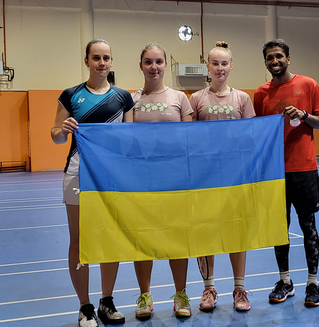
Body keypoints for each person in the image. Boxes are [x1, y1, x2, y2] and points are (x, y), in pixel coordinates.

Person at [51, 39, 134, 327]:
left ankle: (106, 301)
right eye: (96, 57)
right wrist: (62, 129)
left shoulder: (123, 97)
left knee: (110, 238)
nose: (101, 62)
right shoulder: (71, 95)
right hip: (77, 173)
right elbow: (56, 136)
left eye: (106, 58)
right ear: (86, 61)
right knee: (79, 240)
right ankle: (84, 306)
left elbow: (128, 139)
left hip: (110, 178)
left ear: (112, 62)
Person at [253, 38, 319, 308]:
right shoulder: (261, 94)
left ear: (288, 58)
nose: (275, 61)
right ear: (265, 63)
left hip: (304, 169)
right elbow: (259, 132)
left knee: (308, 228)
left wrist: (304, 114)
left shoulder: (309, 85)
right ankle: (285, 281)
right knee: (279, 230)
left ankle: (313, 283)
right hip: (275, 173)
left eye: (279, 56)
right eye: (270, 58)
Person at [188, 41, 255, 312]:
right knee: (206, 232)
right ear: (208, 66)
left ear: (231, 66)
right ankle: (208, 288)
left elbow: (251, 136)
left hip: (234, 178)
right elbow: (188, 139)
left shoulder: (242, 99)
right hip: (205, 179)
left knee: (236, 232)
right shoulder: (196, 99)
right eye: (215, 63)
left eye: (224, 63)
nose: (220, 68)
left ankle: (239, 289)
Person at [130, 42, 194, 320]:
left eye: (158, 61)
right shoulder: (129, 99)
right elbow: (126, 139)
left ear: (166, 65)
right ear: (141, 65)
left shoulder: (180, 98)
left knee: (177, 238)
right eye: (148, 62)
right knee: (143, 238)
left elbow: (192, 140)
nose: (153, 67)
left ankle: (181, 294)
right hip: (142, 181)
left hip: (175, 179)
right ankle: (145, 295)